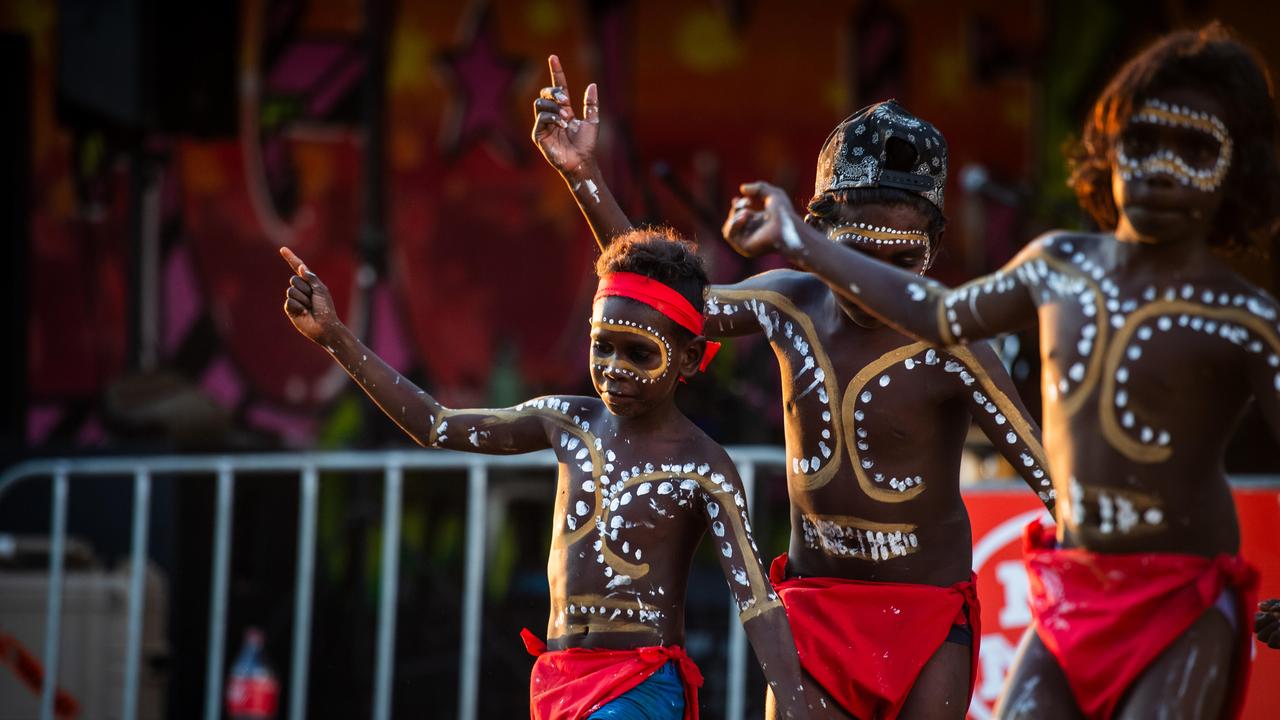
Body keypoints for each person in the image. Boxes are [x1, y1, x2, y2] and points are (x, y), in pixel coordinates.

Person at [719, 23, 1277, 720]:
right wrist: (589, 181)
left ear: (1236, 177)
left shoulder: (1244, 316)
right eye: (1141, 143)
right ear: (1108, 154)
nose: (1160, 170)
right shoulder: (1053, 268)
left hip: (1157, 601)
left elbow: (1035, 454)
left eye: (1195, 150)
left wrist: (807, 246)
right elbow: (653, 310)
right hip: (1012, 606)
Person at [532, 55, 1053, 719]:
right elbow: (660, 298)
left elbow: (1053, 480)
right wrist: (584, 177)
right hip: (813, 611)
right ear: (814, 236)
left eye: (903, 260)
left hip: (927, 619)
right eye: (856, 254)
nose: (875, 280)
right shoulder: (788, 303)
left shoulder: (955, 340)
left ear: (935, 246)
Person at [278, 233, 814, 719]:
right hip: (557, 685)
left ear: (690, 359)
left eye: (639, 353)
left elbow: (758, 603)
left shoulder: (705, 465)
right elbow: (437, 425)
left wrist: (796, 707)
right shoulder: (568, 421)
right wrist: (334, 338)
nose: (614, 368)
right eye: (602, 345)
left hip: (641, 688)